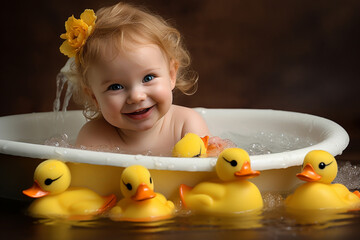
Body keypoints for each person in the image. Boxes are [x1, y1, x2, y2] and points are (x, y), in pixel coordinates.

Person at [59, 2, 210, 156]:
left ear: (172, 75)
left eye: (148, 78)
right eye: (116, 87)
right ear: (94, 98)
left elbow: (205, 173)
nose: (137, 96)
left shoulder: (186, 125)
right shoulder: (94, 137)